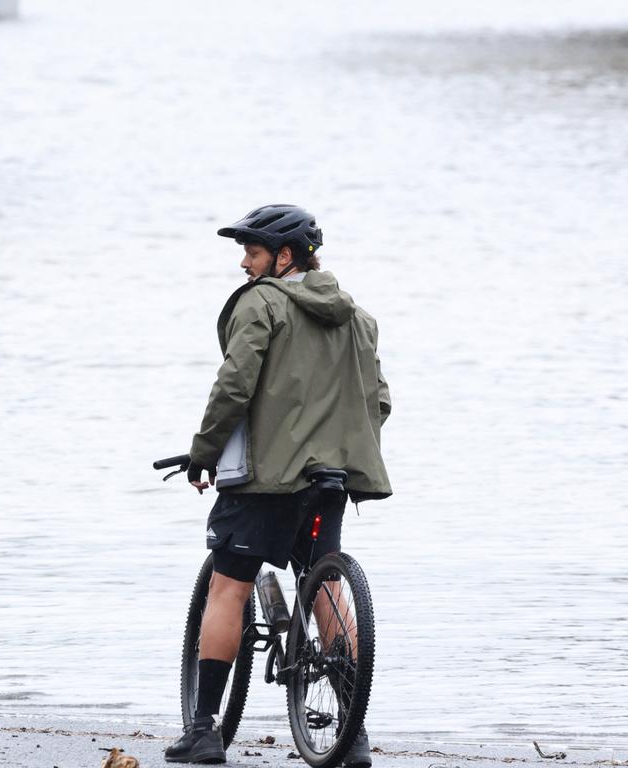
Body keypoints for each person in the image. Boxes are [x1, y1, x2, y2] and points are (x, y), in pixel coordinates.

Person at [164, 204, 391, 766]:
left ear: (284, 257)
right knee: (328, 592)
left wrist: (205, 452)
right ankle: (351, 731)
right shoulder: (357, 318)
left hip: (266, 484)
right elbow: (378, 401)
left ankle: (205, 729)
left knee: (229, 587)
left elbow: (234, 386)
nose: (244, 264)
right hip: (331, 481)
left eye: (253, 252)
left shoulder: (262, 304)